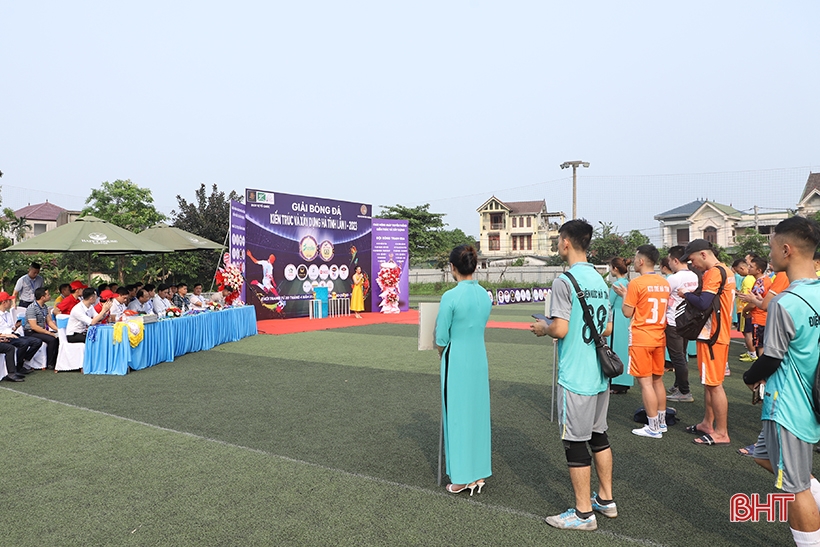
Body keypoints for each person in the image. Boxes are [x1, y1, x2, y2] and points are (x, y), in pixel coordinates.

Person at [530, 219, 615, 531]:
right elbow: (606, 327)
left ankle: (583, 514)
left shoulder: (564, 281)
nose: (557, 244)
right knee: (599, 436)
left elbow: (561, 328)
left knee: (575, 443)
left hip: (577, 375)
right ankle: (605, 500)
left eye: (558, 239)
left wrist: (544, 328)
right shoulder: (598, 278)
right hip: (599, 373)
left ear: (566, 242)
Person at [742, 216, 820, 546]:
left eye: (771, 245)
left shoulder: (785, 302)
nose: (768, 252)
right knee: (763, 455)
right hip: (808, 397)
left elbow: (771, 359)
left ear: (786, 250)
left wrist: (749, 377)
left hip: (788, 405)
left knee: (796, 488)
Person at [435, 245, 492, 496]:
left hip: (456, 360)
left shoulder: (450, 297)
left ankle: (460, 478)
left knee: (457, 416)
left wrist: (442, 351)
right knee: (478, 416)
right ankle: (478, 472)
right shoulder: (484, 295)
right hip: (479, 359)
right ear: (475, 266)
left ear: (452, 268)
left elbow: (441, 338)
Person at [679, 239, 736, 446]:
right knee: (709, 383)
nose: (692, 265)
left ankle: (721, 432)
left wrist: (685, 294)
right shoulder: (726, 271)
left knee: (714, 385)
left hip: (712, 336)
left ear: (703, 254)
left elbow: (703, 302)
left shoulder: (713, 272)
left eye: (693, 260)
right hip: (717, 335)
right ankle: (707, 423)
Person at [616, 245, 670, 439]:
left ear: (640, 261)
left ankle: (653, 426)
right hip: (659, 336)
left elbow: (627, 312)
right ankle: (661, 422)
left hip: (641, 337)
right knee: (657, 380)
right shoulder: (664, 282)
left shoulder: (637, 283)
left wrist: (624, 297)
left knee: (645, 383)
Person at [665, 245, 700, 403]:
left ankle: (685, 391)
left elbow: (663, 297)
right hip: (687, 321)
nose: (669, 264)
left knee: (677, 357)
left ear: (675, 260)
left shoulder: (674, 278)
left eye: (669, 261)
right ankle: (678, 385)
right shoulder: (695, 275)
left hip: (673, 321)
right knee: (682, 355)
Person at [0, 291, 42, 374]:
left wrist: (16, 326)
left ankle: (23, 359)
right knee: (24, 343)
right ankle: (18, 366)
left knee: (37, 341)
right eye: (9, 300)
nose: (11, 302)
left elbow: (11, 328)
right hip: (6, 337)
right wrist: (8, 335)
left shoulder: (7, 314)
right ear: (4, 302)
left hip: (13, 334)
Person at [607, 257, 632, 394]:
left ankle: (616, 382)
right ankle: (625, 382)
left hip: (616, 317)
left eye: (611, 267)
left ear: (615, 269)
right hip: (626, 318)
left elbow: (609, 303)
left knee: (615, 348)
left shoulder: (616, 285)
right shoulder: (628, 283)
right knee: (624, 349)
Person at [742, 256, 772, 361]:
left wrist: (744, 311)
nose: (748, 268)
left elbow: (753, 303)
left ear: (759, 270)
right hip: (765, 317)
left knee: (760, 347)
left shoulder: (760, 283)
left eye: (751, 266)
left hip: (759, 318)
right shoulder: (766, 280)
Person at [24, 287, 59, 369]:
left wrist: (57, 330)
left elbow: (49, 321)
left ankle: (54, 360)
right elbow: (34, 326)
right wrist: (49, 333)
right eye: (48, 294)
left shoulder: (44, 307)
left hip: (40, 331)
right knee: (51, 339)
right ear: (42, 297)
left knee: (57, 337)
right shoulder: (32, 308)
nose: (49, 296)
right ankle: (50, 363)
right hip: (31, 332)